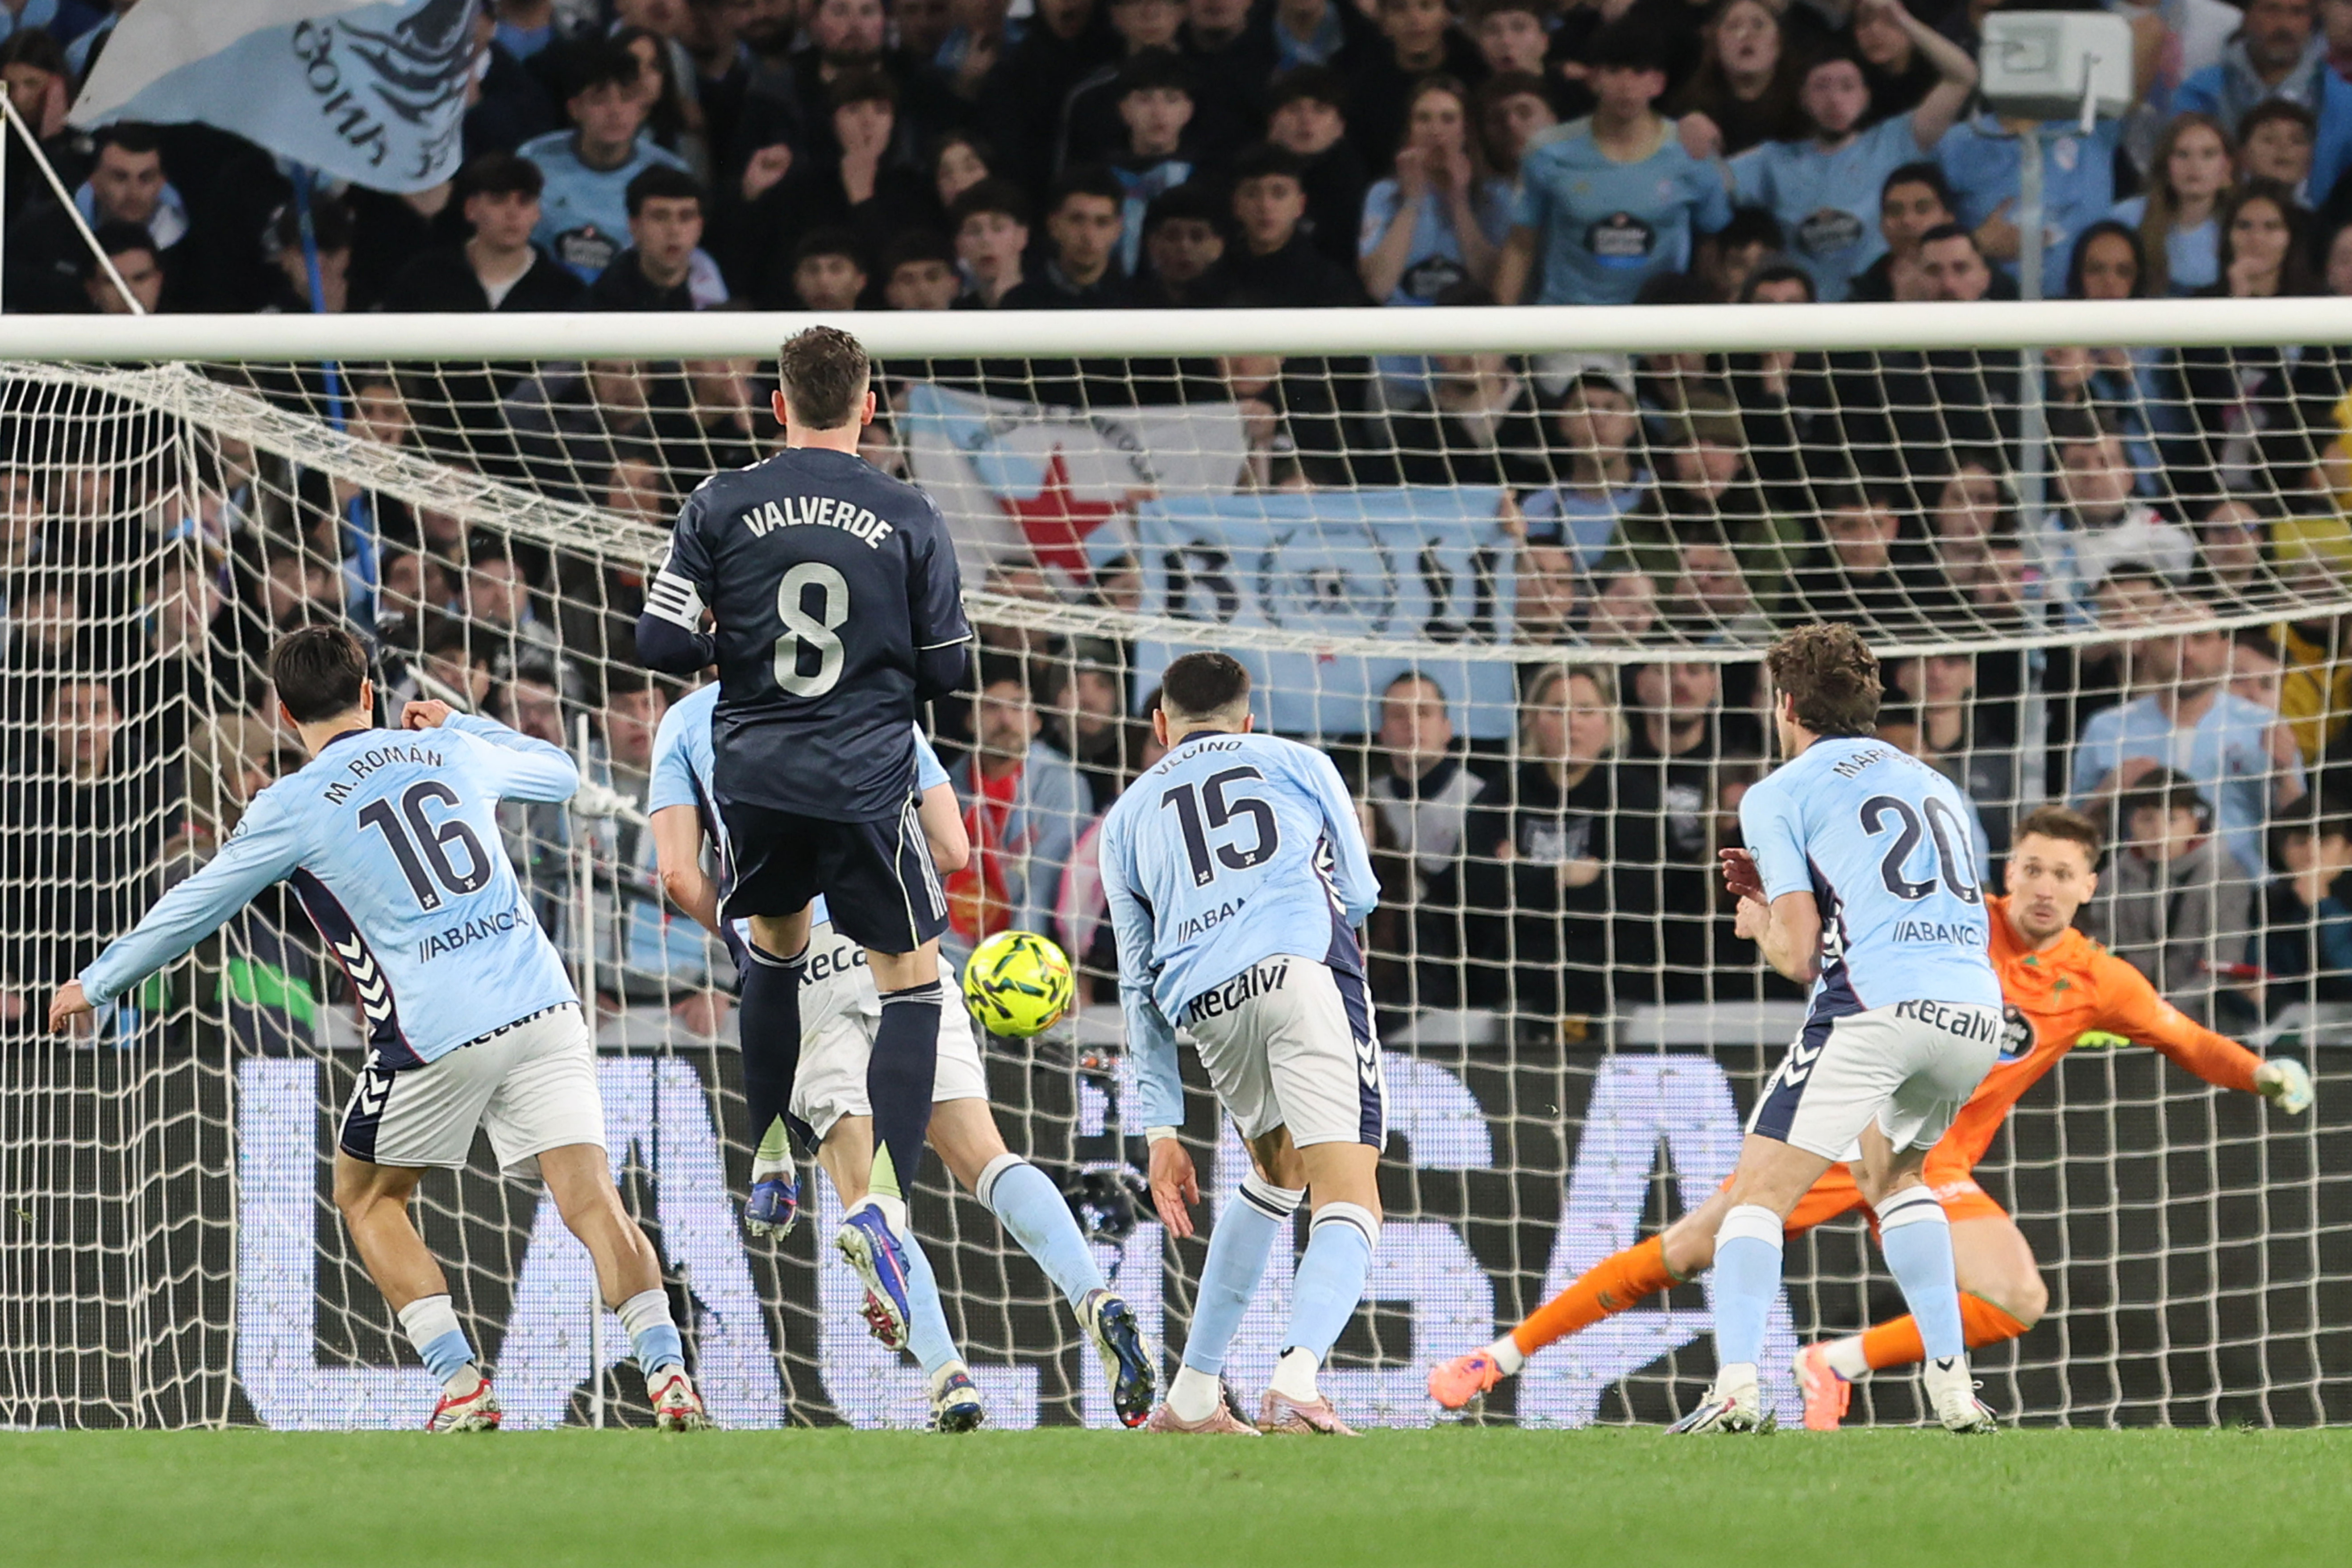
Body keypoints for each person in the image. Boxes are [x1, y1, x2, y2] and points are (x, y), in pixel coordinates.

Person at [1426, 806, 2314, 1426]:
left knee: (2016, 1297)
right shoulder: (1953, 924)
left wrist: (2258, 1074)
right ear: (2008, 872)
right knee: (1684, 1250)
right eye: (2031, 867)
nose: (2044, 885)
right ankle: (1496, 1358)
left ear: (2090, 884)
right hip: (1834, 1136)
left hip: (1931, 1167)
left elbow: (2181, 1036)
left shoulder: (2099, 980)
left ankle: (1833, 1362)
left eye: (2063, 873)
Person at [44, 627, 714, 1433]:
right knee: (593, 1199)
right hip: (544, 1003)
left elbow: (197, 904)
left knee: (366, 1196)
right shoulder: (450, 752)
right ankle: (670, 1374)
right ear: (368, 694)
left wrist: (99, 979)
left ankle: (462, 1382)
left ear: (287, 716)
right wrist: (462, 721)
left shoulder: (289, 804)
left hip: (436, 1029)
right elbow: (562, 772)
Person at [646, 682, 1156, 1432]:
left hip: (796, 953)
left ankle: (950, 1379)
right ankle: (1093, 1296)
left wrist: (749, 940)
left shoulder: (688, 720)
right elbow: (951, 847)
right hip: (900, 939)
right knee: (986, 1156)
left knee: (865, 1192)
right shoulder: (873, 688)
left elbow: (679, 875)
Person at [635, 326, 974, 1352]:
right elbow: (950, 669)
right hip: (867, 777)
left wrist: (731, 643)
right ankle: (884, 1202)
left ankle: (771, 1140)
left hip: (757, 774)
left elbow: (654, 641)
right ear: (869, 407)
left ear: (774, 404)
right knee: (910, 981)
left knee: (774, 953)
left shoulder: (716, 503)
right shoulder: (909, 511)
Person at [1690, 622, 2007, 1433]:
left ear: (1786, 703)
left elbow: (1798, 956)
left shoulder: (1775, 791)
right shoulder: (1930, 779)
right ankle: (1951, 1388)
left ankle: (1732, 1389)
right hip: (1974, 1012)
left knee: (1755, 1195)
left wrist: (1756, 916)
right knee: (1894, 1177)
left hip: (1876, 1006)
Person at [1105, 652, 1382, 1436]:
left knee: (1276, 1172)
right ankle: (1296, 1379)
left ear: (1160, 726)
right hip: (1300, 974)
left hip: (1207, 1006)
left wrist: (1162, 1128)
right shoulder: (1297, 761)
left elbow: (1136, 982)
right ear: (1247, 719)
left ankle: (1193, 1394)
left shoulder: (1124, 816)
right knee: (1349, 1190)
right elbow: (1358, 894)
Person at [1714, 1, 1977, 301]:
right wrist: (1700, 143)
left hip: (1878, 308)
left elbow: (1963, 76)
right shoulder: (1774, 161)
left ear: (1865, 97)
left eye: (1847, 86)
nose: (1834, 100)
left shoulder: (1894, 141)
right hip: (1807, 318)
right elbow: (1711, 182)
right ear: (1802, 98)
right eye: (1822, 87)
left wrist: (1902, 21)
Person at [1494, 24, 1729, 308]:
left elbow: (1712, 247)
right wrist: (1493, 339)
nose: (1626, 86)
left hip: (1662, 324)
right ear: (1593, 80)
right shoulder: (1548, 152)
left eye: (1639, 72)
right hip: (1571, 323)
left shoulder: (1692, 154)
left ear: (1658, 83)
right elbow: (1521, 245)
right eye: (1615, 71)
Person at [2111, 112, 2232, 297]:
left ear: (2227, 169)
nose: (2195, 165)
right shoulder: (2127, 217)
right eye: (2182, 154)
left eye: (2208, 154)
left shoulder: (2243, 224)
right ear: (2166, 165)